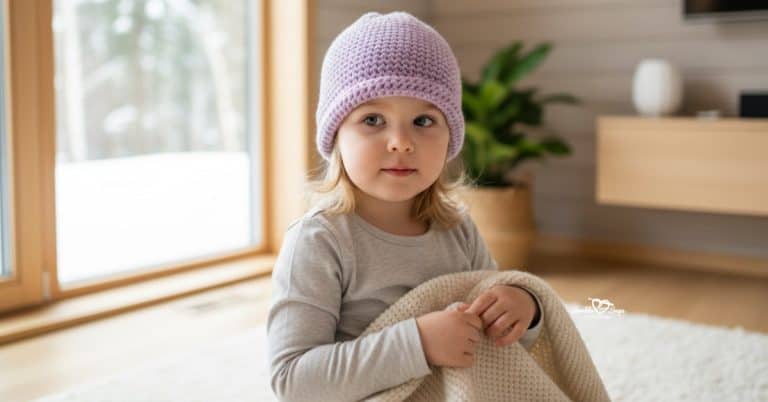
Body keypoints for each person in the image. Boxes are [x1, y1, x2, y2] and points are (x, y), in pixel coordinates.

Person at [266, 11, 543, 402]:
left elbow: (500, 353)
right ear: (336, 137)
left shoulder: (458, 230)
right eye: (373, 119)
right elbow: (293, 380)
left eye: (424, 121)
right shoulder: (319, 240)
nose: (400, 141)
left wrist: (522, 312)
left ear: (450, 138)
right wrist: (419, 344)